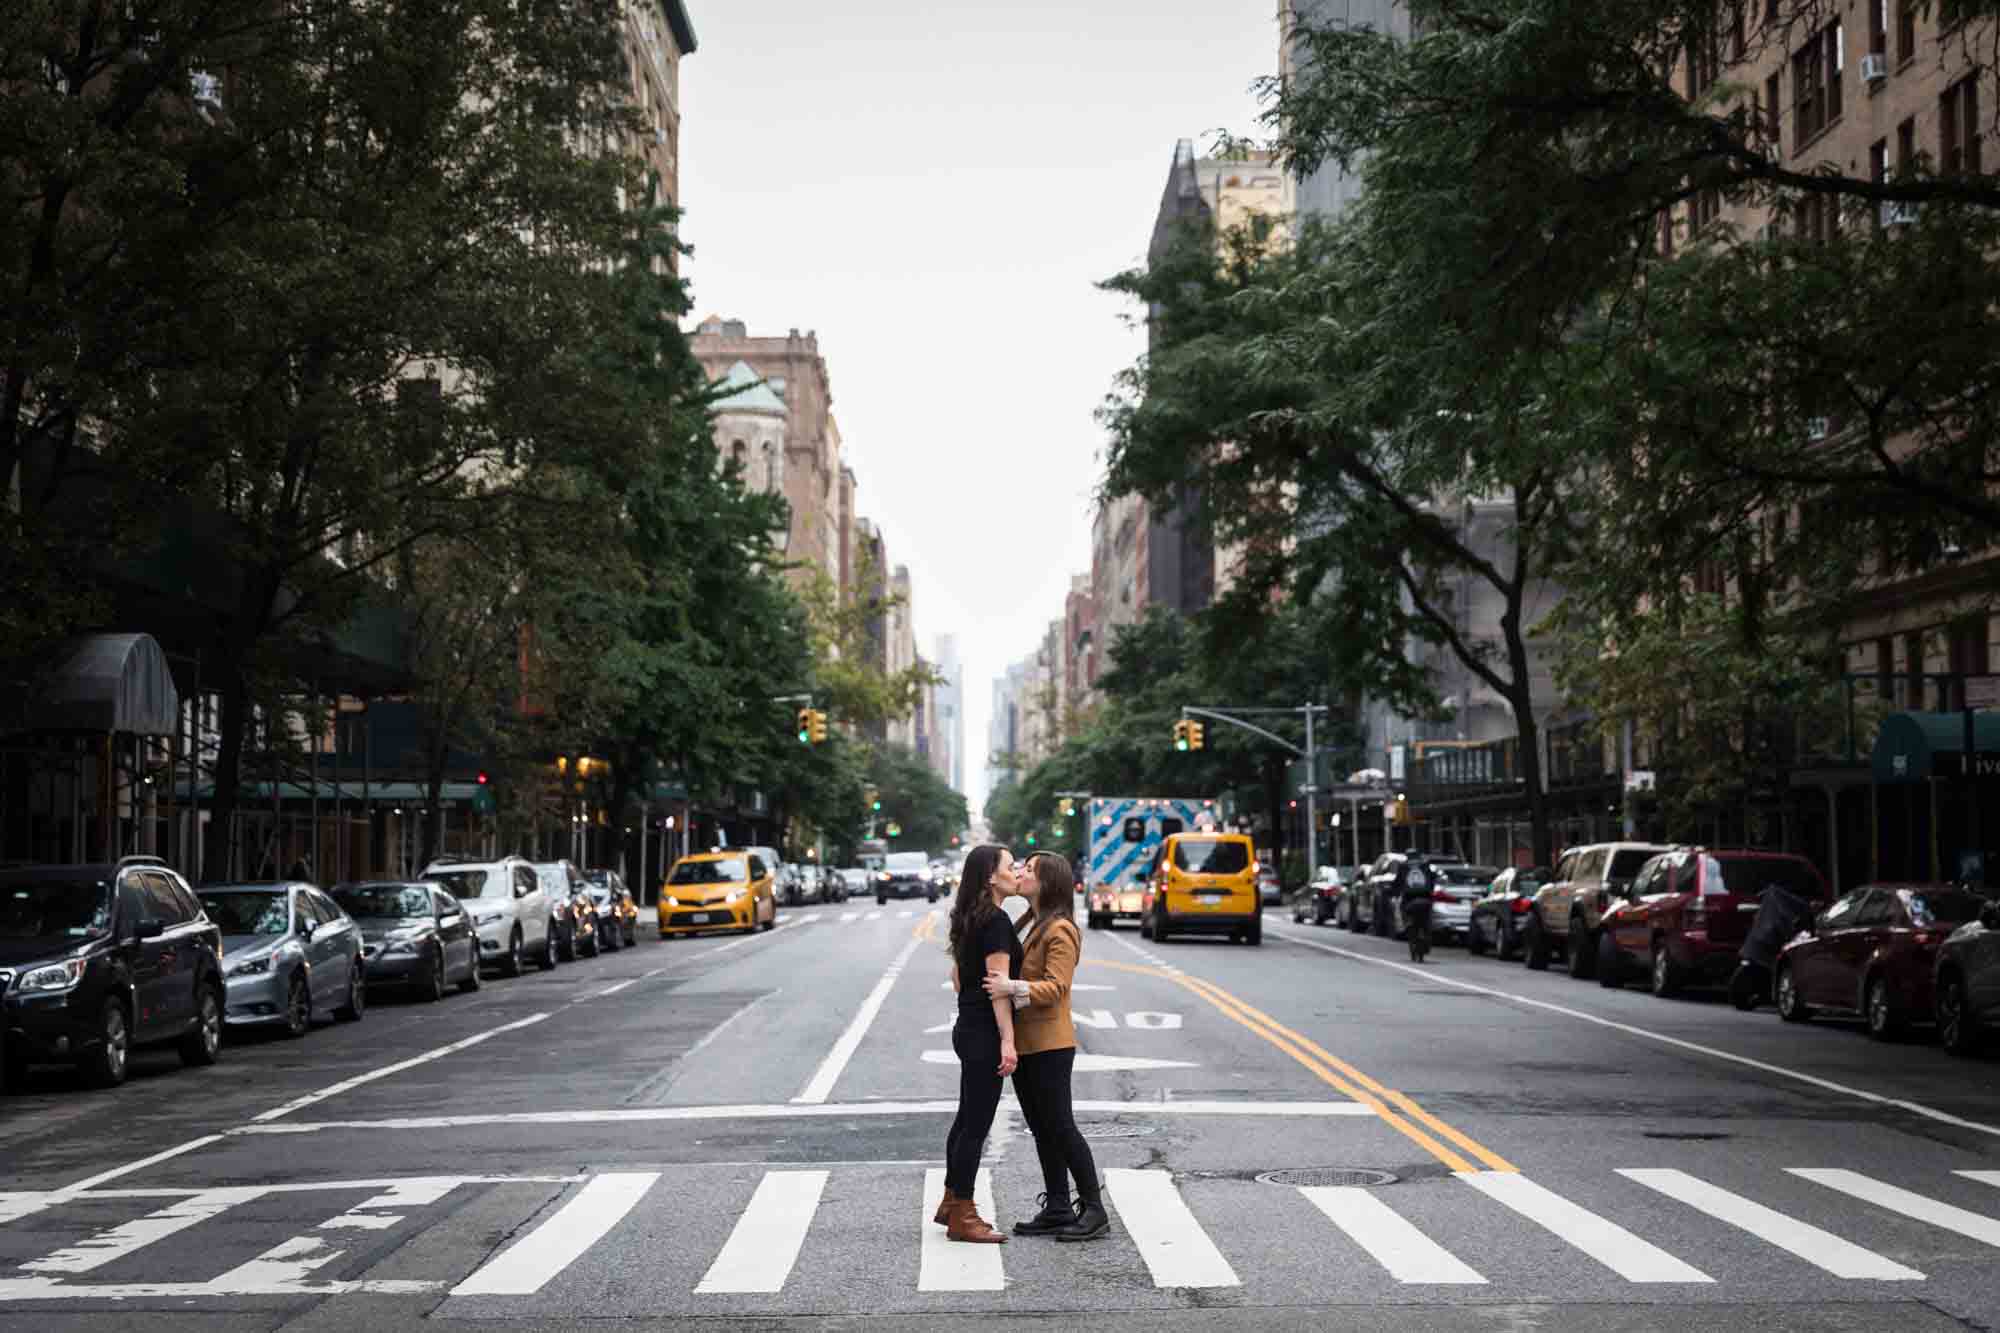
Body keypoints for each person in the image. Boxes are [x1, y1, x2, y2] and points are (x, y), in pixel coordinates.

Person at [986, 852, 1108, 1242]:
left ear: (1047, 883)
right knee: (1041, 1128)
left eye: (1029, 871)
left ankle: (1094, 1208)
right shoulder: (1034, 923)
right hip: (1028, 1043)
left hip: (1051, 1045)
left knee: (1061, 1126)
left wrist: (1012, 988)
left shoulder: (1061, 930)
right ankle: (1057, 1206)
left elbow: (1057, 988)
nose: (1020, 873)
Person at [933, 844, 1021, 1244]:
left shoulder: (968, 918)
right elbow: (997, 988)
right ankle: (964, 1214)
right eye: (1009, 865)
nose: (1015, 870)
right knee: (976, 1124)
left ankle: (952, 1201)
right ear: (990, 876)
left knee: (966, 1118)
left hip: (966, 1025)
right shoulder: (997, 921)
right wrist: (1007, 1039)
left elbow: (957, 976)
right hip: (985, 1030)